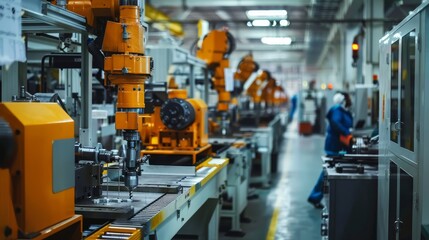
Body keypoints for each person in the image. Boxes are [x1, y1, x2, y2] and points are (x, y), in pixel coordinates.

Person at [307, 92, 353, 209]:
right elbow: (336, 123)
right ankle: (315, 196)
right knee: (327, 173)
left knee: (328, 172)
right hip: (336, 146)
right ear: (343, 99)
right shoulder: (337, 110)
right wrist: (347, 133)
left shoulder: (340, 110)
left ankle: (316, 196)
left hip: (338, 145)